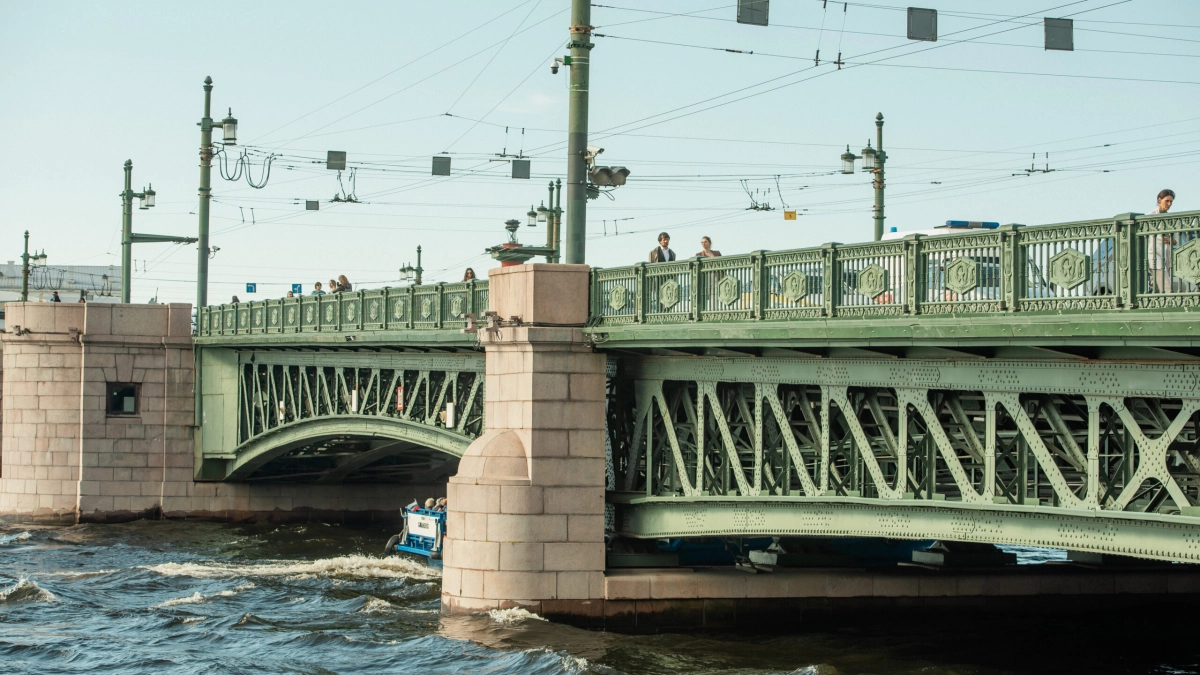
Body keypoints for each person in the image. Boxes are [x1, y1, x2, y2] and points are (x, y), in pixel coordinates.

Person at [1147, 189, 1177, 293]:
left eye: (1171, 202)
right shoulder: (1150, 216)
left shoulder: (1171, 218)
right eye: (1167, 201)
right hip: (1155, 256)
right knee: (1167, 287)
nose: (1169, 204)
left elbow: (1176, 241)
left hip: (1167, 257)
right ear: (1159, 200)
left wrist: (1171, 240)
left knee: (1156, 290)